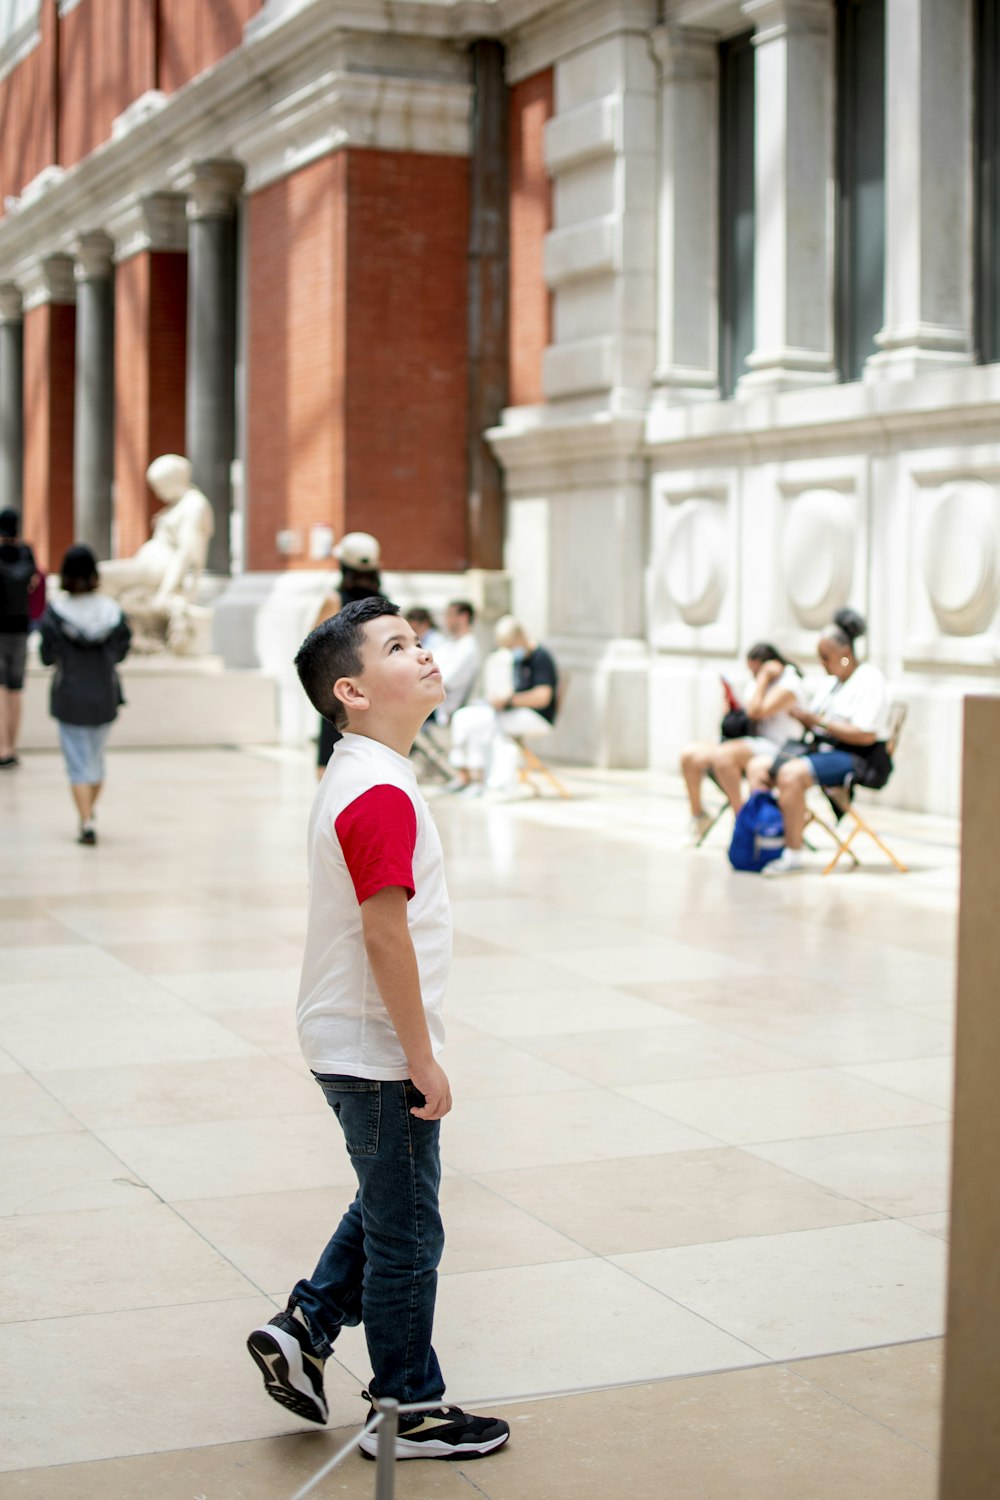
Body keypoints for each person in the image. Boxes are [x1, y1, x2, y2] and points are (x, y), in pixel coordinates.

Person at [247, 597, 509, 1463]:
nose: (426, 653)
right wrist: (421, 1057)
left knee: (390, 1199)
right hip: (373, 1049)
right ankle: (407, 1407)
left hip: (356, 1039)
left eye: (420, 638)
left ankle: (307, 1324)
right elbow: (384, 931)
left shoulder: (370, 774)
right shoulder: (378, 792)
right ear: (351, 691)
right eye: (399, 646)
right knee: (409, 1232)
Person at [746, 608, 890, 878]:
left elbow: (865, 734)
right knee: (757, 767)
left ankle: (793, 853)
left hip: (858, 757)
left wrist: (820, 723)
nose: (823, 664)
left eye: (826, 657)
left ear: (846, 654)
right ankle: (767, 839)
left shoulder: (870, 680)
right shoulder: (831, 684)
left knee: (791, 773)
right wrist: (806, 719)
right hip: (821, 749)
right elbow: (820, 723)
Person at [38, 545, 131, 845]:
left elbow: (47, 656)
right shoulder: (111, 611)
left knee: (77, 763)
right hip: (104, 694)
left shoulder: (56, 612)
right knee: (96, 760)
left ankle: (86, 820)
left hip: (70, 695)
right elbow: (121, 651)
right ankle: (89, 813)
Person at [681, 643, 807, 845]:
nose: (754, 676)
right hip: (752, 742)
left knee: (723, 757)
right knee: (689, 755)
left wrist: (764, 678)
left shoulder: (789, 685)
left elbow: (756, 711)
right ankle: (699, 815)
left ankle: (741, 819)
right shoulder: (758, 683)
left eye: (757, 671)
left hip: (780, 747)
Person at [446, 615, 557, 794]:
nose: (510, 650)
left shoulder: (541, 657)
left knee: (486, 725)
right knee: (466, 716)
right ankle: (464, 774)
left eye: (510, 645)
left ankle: (482, 778)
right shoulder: (518, 659)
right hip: (515, 711)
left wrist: (510, 700)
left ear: (519, 637)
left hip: (537, 716)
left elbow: (543, 697)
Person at [312, 532, 385, 776]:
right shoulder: (384, 604)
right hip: (376, 692)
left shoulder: (335, 601)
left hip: (342, 693)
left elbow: (313, 647)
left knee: (330, 764)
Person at [0, 507, 39, 768]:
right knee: (16, 689)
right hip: (20, 628)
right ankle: (12, 747)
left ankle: (2, 748)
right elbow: (33, 583)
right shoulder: (27, 553)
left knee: (1, 688)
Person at [432, 600, 480, 725]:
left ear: (463, 617)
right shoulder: (448, 644)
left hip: (444, 712)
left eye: (449, 615)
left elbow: (445, 681)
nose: (445, 620)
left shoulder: (469, 648)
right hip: (433, 707)